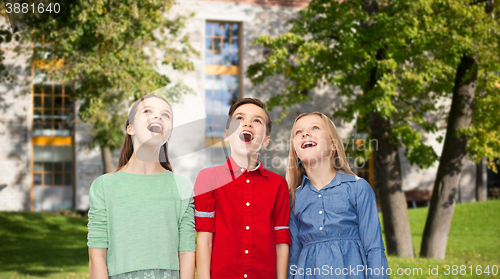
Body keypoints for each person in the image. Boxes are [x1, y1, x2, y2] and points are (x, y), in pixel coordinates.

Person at [87, 94, 195, 279]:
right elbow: (97, 257)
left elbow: (186, 253)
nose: (158, 117)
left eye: (166, 115)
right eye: (148, 111)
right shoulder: (104, 187)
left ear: (168, 134)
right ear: (130, 128)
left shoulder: (182, 187)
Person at [195, 98, 291, 279]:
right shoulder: (208, 178)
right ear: (226, 134)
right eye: (239, 118)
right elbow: (204, 239)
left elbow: (281, 240)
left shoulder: (278, 185)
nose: (247, 123)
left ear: (266, 140)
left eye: (257, 120)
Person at [286, 112, 389, 279]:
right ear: (296, 151)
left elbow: (374, 248)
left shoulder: (358, 188)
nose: (305, 133)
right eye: (298, 132)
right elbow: (293, 259)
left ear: (333, 144)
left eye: (315, 128)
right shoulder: (293, 199)